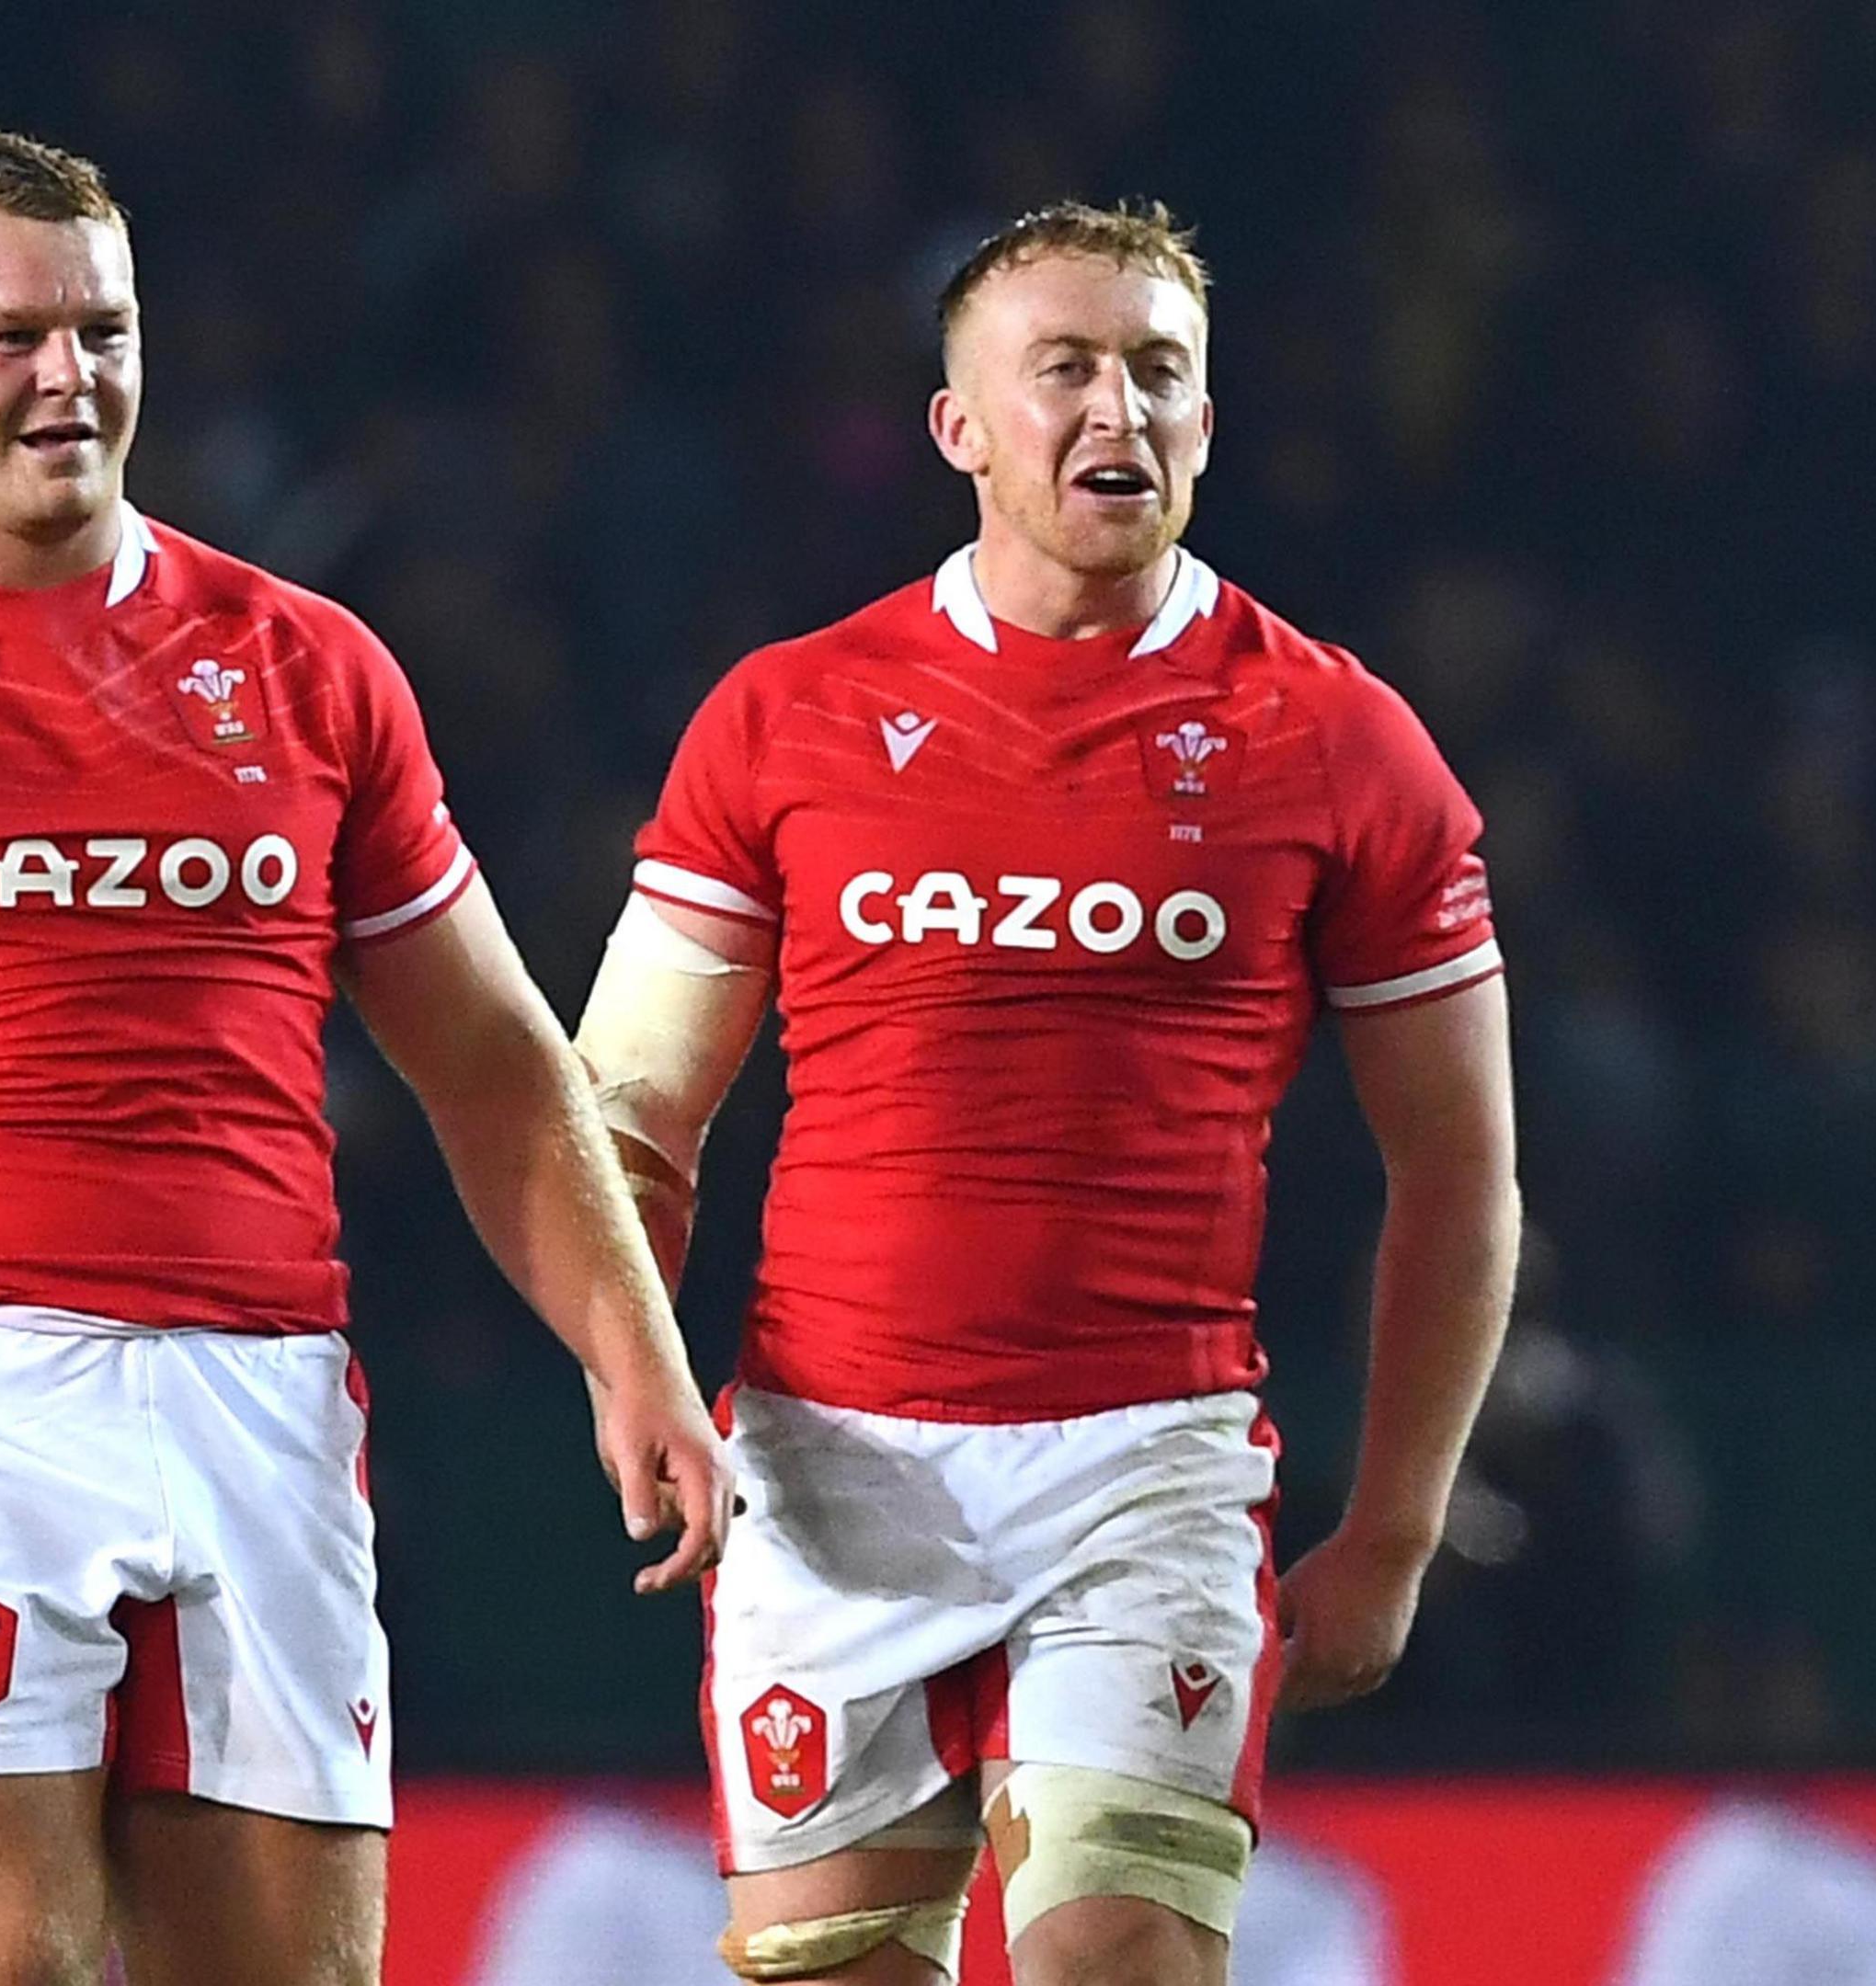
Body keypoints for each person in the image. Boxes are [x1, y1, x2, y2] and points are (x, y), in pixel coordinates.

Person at [0, 131, 725, 1986]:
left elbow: (493, 1063)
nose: (68, 376)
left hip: (263, 1393)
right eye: (12, 334)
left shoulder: (307, 667)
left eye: (103, 329)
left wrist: (633, 1348)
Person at [568, 200, 1518, 1986]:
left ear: (1211, 422)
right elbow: (624, 1111)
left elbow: (1460, 1172)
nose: (1120, 412)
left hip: (1139, 1477)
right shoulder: (789, 717)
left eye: (1162, 373)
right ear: (961, 427)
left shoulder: (1338, 740)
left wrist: (1394, 1524)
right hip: (829, 1469)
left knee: (1118, 1954)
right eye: (1067, 370)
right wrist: (636, 1374)